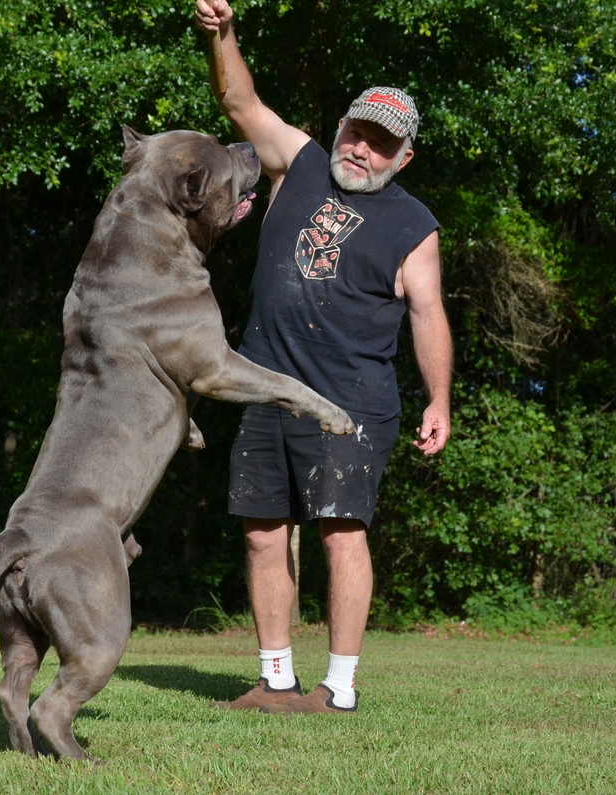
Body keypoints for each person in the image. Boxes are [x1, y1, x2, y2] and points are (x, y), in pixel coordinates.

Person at [195, 0, 453, 714]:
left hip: (351, 402)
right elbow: (238, 99)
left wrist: (440, 399)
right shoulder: (300, 162)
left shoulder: (413, 223)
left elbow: (429, 315)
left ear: (403, 156)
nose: (361, 149)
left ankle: (337, 689)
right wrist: (222, 34)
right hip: (264, 386)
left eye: (380, 143)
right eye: (356, 131)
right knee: (260, 533)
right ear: (339, 126)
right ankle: (276, 679)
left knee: (342, 532)